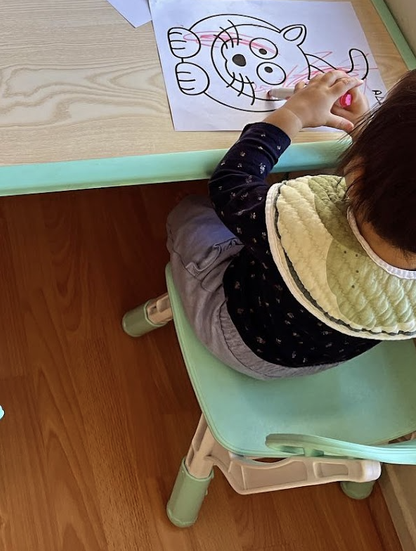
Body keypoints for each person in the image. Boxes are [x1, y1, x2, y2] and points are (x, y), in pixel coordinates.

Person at [158, 69, 416, 378]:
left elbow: (231, 183)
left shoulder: (301, 226)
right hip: (317, 358)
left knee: (192, 212)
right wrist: (363, 130)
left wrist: (294, 113)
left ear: (358, 176)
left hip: (237, 338)